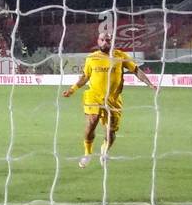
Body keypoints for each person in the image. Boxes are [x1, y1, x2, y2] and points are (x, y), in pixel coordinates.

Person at [62, 29, 158, 167]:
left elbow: (136, 70)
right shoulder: (92, 58)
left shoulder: (121, 56)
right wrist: (72, 90)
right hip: (93, 97)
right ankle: (87, 153)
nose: (105, 42)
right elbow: (85, 77)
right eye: (102, 39)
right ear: (98, 41)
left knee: (110, 132)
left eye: (108, 40)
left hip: (113, 100)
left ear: (113, 41)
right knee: (91, 122)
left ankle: (104, 151)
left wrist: (150, 84)